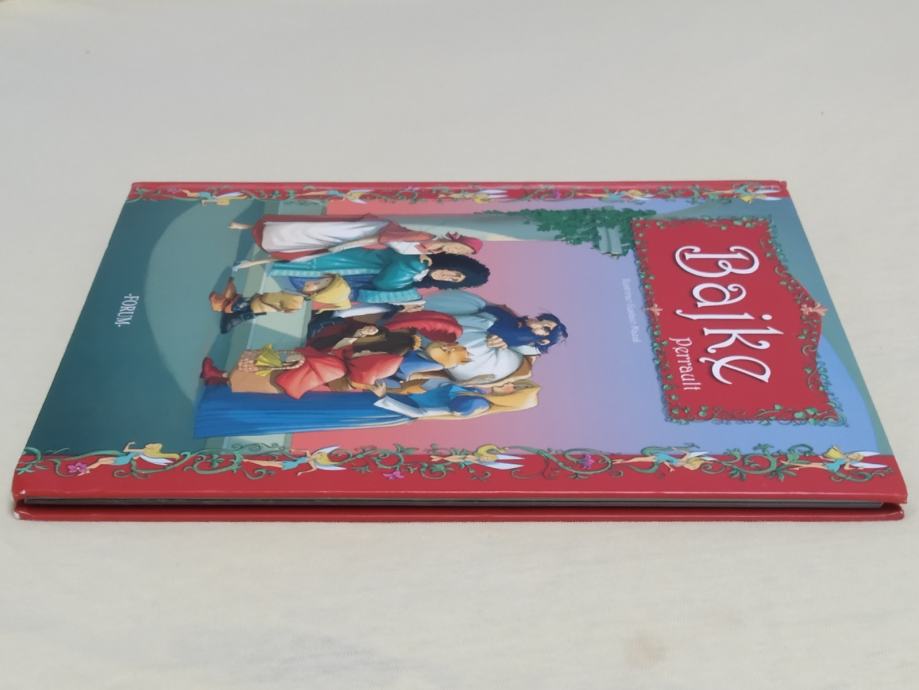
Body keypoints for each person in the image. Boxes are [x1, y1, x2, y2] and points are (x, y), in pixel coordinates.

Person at [193, 377, 540, 437]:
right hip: (385, 398)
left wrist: (384, 396)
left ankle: (222, 410)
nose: (509, 384)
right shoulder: (475, 389)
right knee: (313, 400)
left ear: (513, 396)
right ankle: (224, 397)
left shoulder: (475, 404)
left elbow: (422, 413)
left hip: (385, 408)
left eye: (516, 387)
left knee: (313, 411)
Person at [231, 213, 483, 269]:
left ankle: (256, 259)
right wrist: (344, 246)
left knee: (310, 251)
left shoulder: (428, 251)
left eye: (462, 253)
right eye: (461, 247)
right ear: (458, 240)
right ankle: (250, 227)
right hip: (360, 233)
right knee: (310, 233)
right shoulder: (425, 237)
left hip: (363, 240)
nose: (457, 251)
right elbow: (381, 236)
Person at [265, 248, 490, 307]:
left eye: (455, 280)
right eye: (455, 271)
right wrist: (415, 266)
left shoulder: (417, 281)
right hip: (337, 264)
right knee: (277, 265)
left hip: (328, 285)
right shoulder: (416, 258)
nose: (448, 276)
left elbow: (374, 294)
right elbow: (387, 281)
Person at [208, 274, 353, 333]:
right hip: (259, 301)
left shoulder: (296, 300)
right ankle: (230, 304)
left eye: (317, 284)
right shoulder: (297, 295)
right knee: (242, 301)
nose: (312, 281)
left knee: (239, 305)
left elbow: (283, 305)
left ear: (317, 294)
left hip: (256, 305)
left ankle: (223, 306)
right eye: (319, 279)